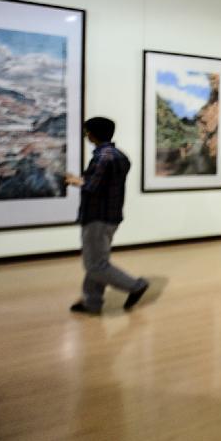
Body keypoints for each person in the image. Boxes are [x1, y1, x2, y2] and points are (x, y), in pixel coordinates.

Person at [65, 117, 149, 315]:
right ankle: (92, 302)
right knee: (98, 260)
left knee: (95, 264)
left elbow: (92, 186)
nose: (86, 135)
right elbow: (104, 182)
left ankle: (135, 285)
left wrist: (73, 181)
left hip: (97, 216)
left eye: (87, 131)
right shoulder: (120, 156)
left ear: (93, 134)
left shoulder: (103, 157)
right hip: (111, 215)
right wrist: (81, 180)